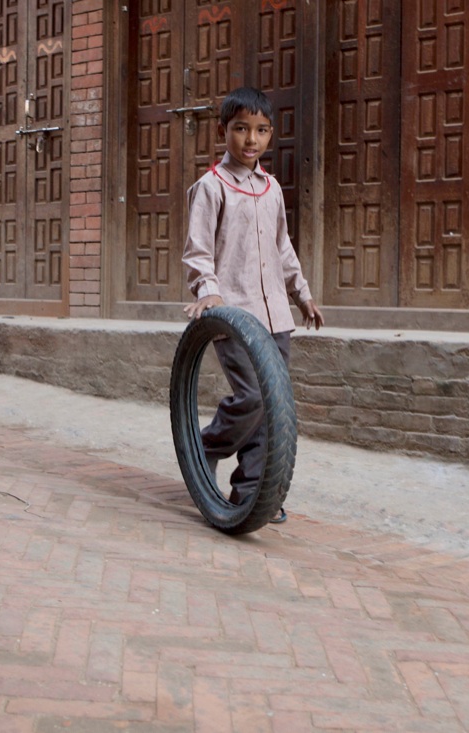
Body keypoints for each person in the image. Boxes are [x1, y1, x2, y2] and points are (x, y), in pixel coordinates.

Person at [182, 86, 325, 524]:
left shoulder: (272, 189)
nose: (251, 140)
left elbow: (283, 247)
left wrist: (302, 293)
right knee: (254, 397)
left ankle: (254, 494)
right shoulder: (210, 187)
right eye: (241, 129)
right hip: (234, 315)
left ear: (270, 135)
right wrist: (206, 288)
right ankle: (207, 447)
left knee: (274, 407)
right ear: (223, 130)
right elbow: (198, 249)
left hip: (275, 315)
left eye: (261, 131)